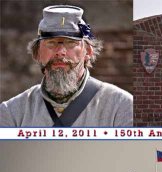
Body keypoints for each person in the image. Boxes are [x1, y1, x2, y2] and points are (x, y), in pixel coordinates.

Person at [0, 5, 133, 127]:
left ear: (88, 51)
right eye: (51, 43)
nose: (60, 52)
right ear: (37, 53)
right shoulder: (12, 113)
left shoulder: (121, 108)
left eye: (71, 42)